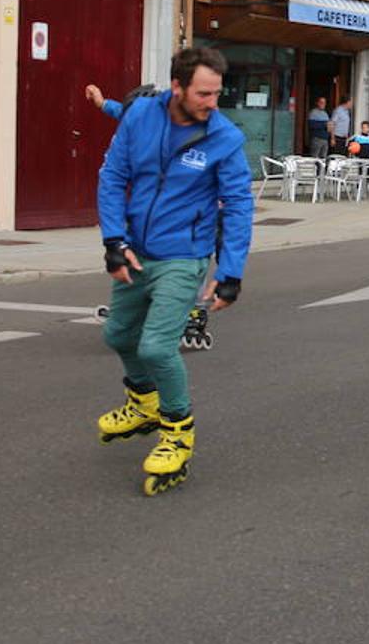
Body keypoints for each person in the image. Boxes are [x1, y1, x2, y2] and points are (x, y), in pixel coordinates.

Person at [95, 47, 254, 496]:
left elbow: (239, 206)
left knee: (157, 346)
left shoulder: (224, 138)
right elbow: (111, 176)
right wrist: (113, 242)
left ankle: (177, 431)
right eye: (203, 93)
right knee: (118, 337)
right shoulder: (141, 116)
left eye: (217, 93)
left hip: (185, 255)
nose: (212, 102)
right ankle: (143, 402)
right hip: (136, 251)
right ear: (177, 87)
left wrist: (231, 273)